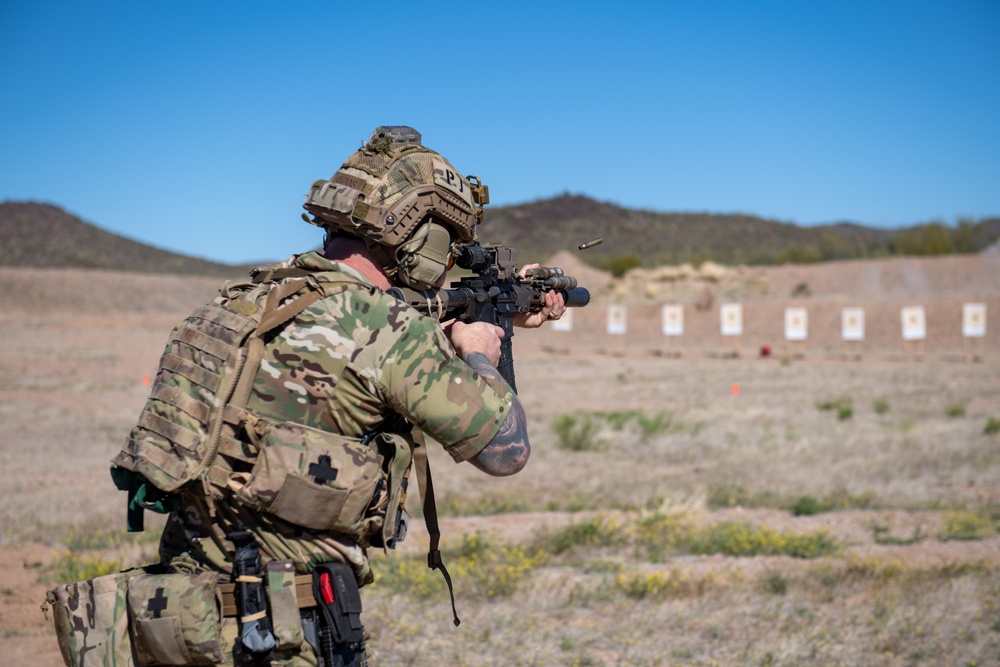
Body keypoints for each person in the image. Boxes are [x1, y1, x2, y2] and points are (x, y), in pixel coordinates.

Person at [139, 126, 565, 666]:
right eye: (449, 241)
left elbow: (355, 334)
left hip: (177, 621)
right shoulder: (382, 328)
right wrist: (479, 348)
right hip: (283, 633)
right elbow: (507, 451)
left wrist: (491, 305)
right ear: (420, 234)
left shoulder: (245, 303)